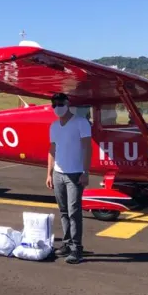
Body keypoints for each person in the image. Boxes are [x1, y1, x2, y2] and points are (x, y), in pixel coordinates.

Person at [45, 92, 92, 263]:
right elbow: (52, 150)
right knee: (63, 211)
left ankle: (77, 248)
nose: (57, 107)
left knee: (74, 212)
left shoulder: (81, 122)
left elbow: (87, 148)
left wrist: (85, 172)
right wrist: (49, 173)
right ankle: (67, 243)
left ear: (68, 104)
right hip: (58, 173)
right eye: (54, 105)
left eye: (61, 104)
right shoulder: (54, 126)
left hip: (75, 174)